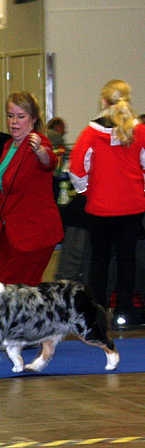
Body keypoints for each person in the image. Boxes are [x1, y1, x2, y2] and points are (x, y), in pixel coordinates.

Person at [69, 79, 145, 327]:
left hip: (100, 207)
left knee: (99, 261)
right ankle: (125, 312)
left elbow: (76, 169)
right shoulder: (140, 131)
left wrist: (86, 191)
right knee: (127, 259)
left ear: (103, 102)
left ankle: (97, 314)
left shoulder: (90, 133)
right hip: (133, 206)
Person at [0, 91, 61, 286]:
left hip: (34, 234)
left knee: (18, 290)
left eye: (21, 116)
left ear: (33, 119)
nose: (14, 122)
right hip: (8, 230)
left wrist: (40, 151)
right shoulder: (9, 145)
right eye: (10, 116)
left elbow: (49, 161)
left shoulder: (39, 142)